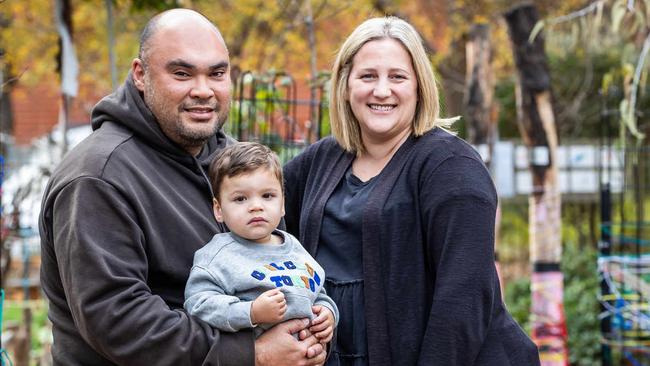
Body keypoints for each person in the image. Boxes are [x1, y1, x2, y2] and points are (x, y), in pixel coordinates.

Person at [39, 8, 325, 365]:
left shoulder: (233, 162)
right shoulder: (98, 176)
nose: (203, 90)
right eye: (182, 73)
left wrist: (308, 331)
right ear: (140, 75)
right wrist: (252, 353)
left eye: (216, 73)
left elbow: (279, 262)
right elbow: (118, 320)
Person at [283, 16, 541, 365]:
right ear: (345, 85)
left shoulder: (451, 166)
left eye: (398, 77)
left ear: (420, 86)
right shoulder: (321, 160)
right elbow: (255, 219)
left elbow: (463, 298)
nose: (382, 90)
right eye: (368, 76)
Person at [184, 142, 338, 344]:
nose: (256, 206)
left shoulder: (294, 247)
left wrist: (328, 313)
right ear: (219, 209)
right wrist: (251, 312)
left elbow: (316, 292)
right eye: (240, 199)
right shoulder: (217, 257)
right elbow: (198, 305)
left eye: (267, 196)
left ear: (282, 204)